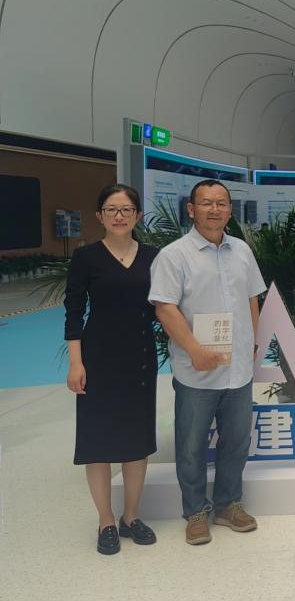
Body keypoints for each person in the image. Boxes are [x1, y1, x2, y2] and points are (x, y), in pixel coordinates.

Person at [149, 179, 266, 545]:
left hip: (238, 371)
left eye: (221, 203)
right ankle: (196, 511)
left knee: (237, 441)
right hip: (196, 371)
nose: (214, 209)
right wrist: (195, 350)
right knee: (191, 445)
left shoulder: (242, 250)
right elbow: (165, 308)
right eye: (206, 203)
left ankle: (229, 505)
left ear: (230, 210)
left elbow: (252, 298)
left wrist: (252, 343)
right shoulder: (174, 255)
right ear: (191, 209)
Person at [64, 184, 159, 555]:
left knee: (137, 441)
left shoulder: (153, 256)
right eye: (111, 209)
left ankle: (130, 516)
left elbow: (166, 306)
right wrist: (76, 362)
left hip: (140, 358)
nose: (119, 216)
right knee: (98, 442)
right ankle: (105, 520)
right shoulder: (86, 257)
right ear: (99, 216)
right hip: (98, 359)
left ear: (137, 215)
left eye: (126, 209)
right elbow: (74, 313)